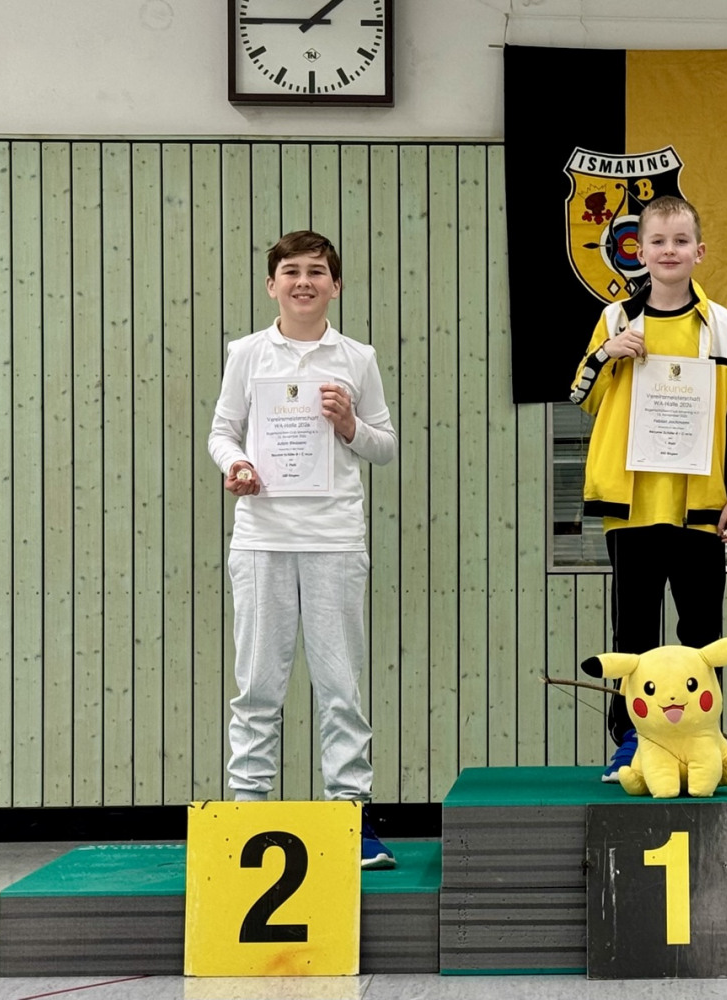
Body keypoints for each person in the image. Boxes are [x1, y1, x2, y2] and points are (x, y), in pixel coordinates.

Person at [208, 230, 399, 869]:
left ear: (335, 286)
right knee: (256, 686)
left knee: (340, 687)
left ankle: (352, 816)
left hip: (334, 540)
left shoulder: (358, 358)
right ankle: (247, 817)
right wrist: (236, 465)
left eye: (317, 271)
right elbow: (221, 432)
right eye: (290, 271)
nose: (303, 281)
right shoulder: (246, 354)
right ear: (272, 285)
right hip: (261, 539)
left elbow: (384, 445)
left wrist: (349, 424)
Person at [569, 196, 727, 781]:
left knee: (702, 632)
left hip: (700, 506)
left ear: (699, 251)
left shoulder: (722, 324)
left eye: (680, 241)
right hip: (632, 507)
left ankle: (704, 738)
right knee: (632, 632)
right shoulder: (614, 320)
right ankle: (632, 741)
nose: (669, 251)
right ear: (639, 251)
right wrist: (608, 355)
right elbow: (581, 396)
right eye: (658, 241)